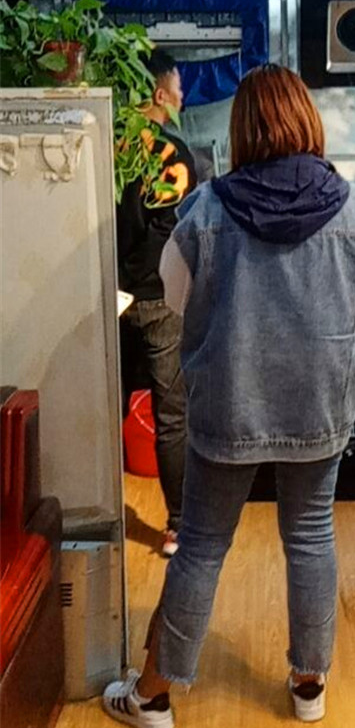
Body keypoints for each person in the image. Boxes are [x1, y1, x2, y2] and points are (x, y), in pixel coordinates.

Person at [103, 64, 355, 728]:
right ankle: (309, 685)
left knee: (202, 545)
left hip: (229, 405)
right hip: (319, 406)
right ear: (308, 122)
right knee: (311, 535)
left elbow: (177, 297)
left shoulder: (205, 210)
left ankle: (153, 697)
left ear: (242, 131)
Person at [117, 49, 197, 557]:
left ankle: (94, 514)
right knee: (171, 414)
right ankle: (178, 528)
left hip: (106, 294)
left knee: (108, 405)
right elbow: (175, 230)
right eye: (179, 88)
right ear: (160, 93)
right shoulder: (171, 152)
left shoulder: (108, 142)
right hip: (158, 298)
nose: (182, 98)